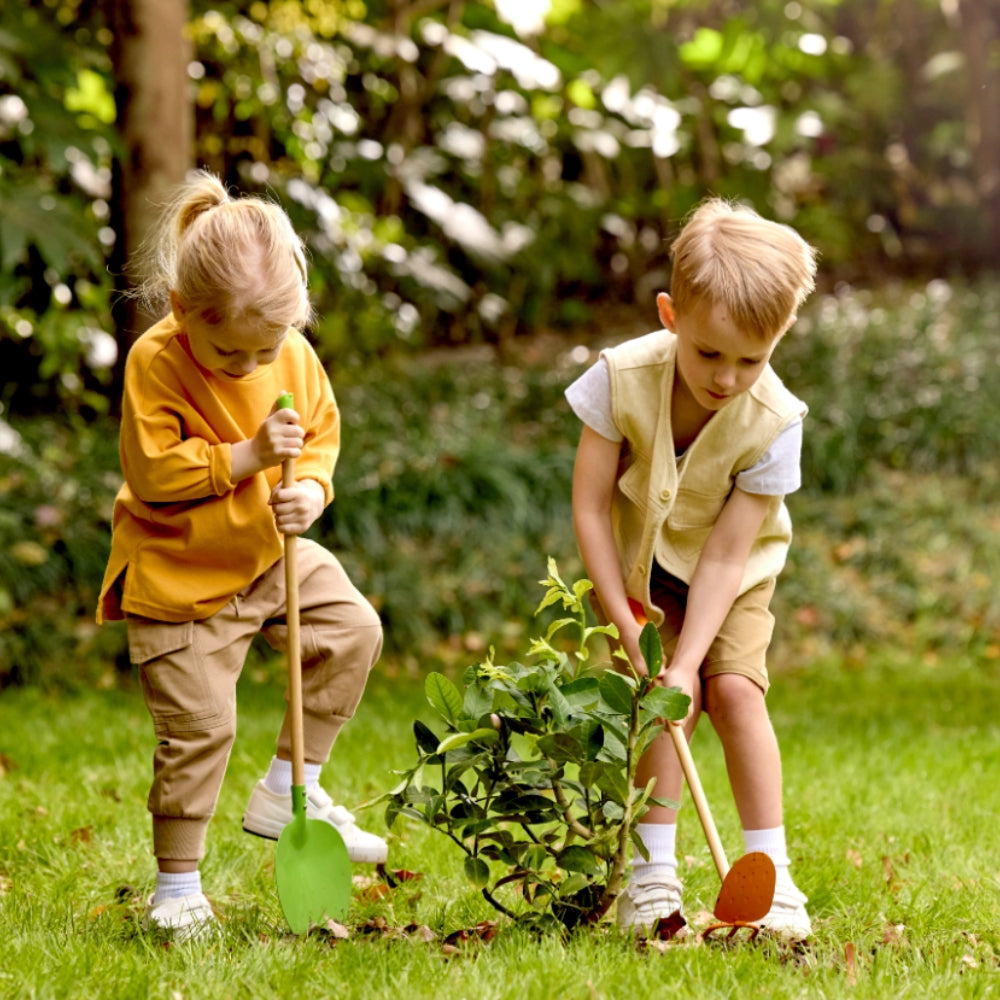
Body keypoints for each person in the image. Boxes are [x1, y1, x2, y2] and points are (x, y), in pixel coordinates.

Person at [97, 171, 386, 940]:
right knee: (200, 729)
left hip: (265, 555)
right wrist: (248, 456)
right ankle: (177, 888)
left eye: (271, 346)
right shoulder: (156, 362)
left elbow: (319, 430)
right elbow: (152, 474)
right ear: (182, 311)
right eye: (232, 354)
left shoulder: (284, 350)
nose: (254, 366)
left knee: (352, 630)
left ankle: (293, 785)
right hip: (178, 576)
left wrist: (314, 491)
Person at [566, 198, 818, 940]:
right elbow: (588, 509)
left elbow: (728, 555)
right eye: (710, 354)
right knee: (660, 708)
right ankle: (651, 878)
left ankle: (769, 876)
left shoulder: (776, 422)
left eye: (753, 359)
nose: (729, 377)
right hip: (637, 572)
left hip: (729, 578)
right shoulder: (618, 379)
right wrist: (626, 619)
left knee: (731, 692)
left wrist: (692, 661)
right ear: (671, 314)